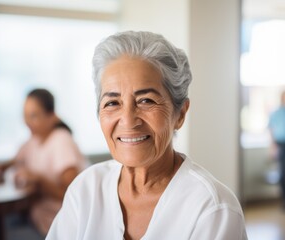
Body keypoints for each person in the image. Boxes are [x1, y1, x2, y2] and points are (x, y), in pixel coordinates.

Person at [46, 31, 247, 240]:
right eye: (112, 103)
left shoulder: (213, 208)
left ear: (180, 114)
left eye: (146, 101)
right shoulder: (86, 189)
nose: (128, 120)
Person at [0, 88, 86, 235]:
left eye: (33, 116)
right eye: (25, 116)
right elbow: (13, 162)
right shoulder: (33, 140)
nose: (27, 122)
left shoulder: (61, 141)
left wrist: (40, 181)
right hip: (38, 219)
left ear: (52, 116)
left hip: (61, 226)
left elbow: (71, 195)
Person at [268, 90, 285, 207]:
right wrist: (272, 148)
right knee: (282, 172)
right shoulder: (276, 113)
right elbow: (271, 131)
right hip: (281, 145)